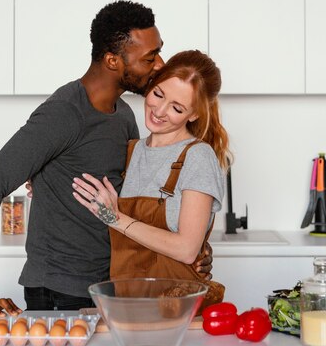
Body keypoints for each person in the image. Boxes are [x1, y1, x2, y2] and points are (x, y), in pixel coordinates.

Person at [0, 1, 212, 316]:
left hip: (110, 286)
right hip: (60, 291)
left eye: (159, 52)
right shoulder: (64, 113)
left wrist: (192, 246)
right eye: (149, 57)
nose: (160, 65)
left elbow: (133, 199)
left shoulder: (124, 116)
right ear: (112, 60)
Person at [72, 50, 230, 310]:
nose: (159, 111)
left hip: (177, 311)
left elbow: (187, 250)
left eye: (177, 108)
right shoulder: (131, 150)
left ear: (194, 114)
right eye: (158, 94)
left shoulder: (197, 157)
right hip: (125, 305)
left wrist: (116, 219)